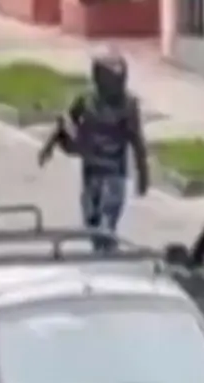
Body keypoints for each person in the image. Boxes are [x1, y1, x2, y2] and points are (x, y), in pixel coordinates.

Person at [38, 47, 149, 252]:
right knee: (91, 218)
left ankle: (107, 250)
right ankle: (100, 246)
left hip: (115, 170)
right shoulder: (86, 100)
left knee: (108, 217)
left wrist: (143, 174)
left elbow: (137, 140)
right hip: (91, 169)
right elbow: (65, 122)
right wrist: (49, 146)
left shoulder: (128, 105)